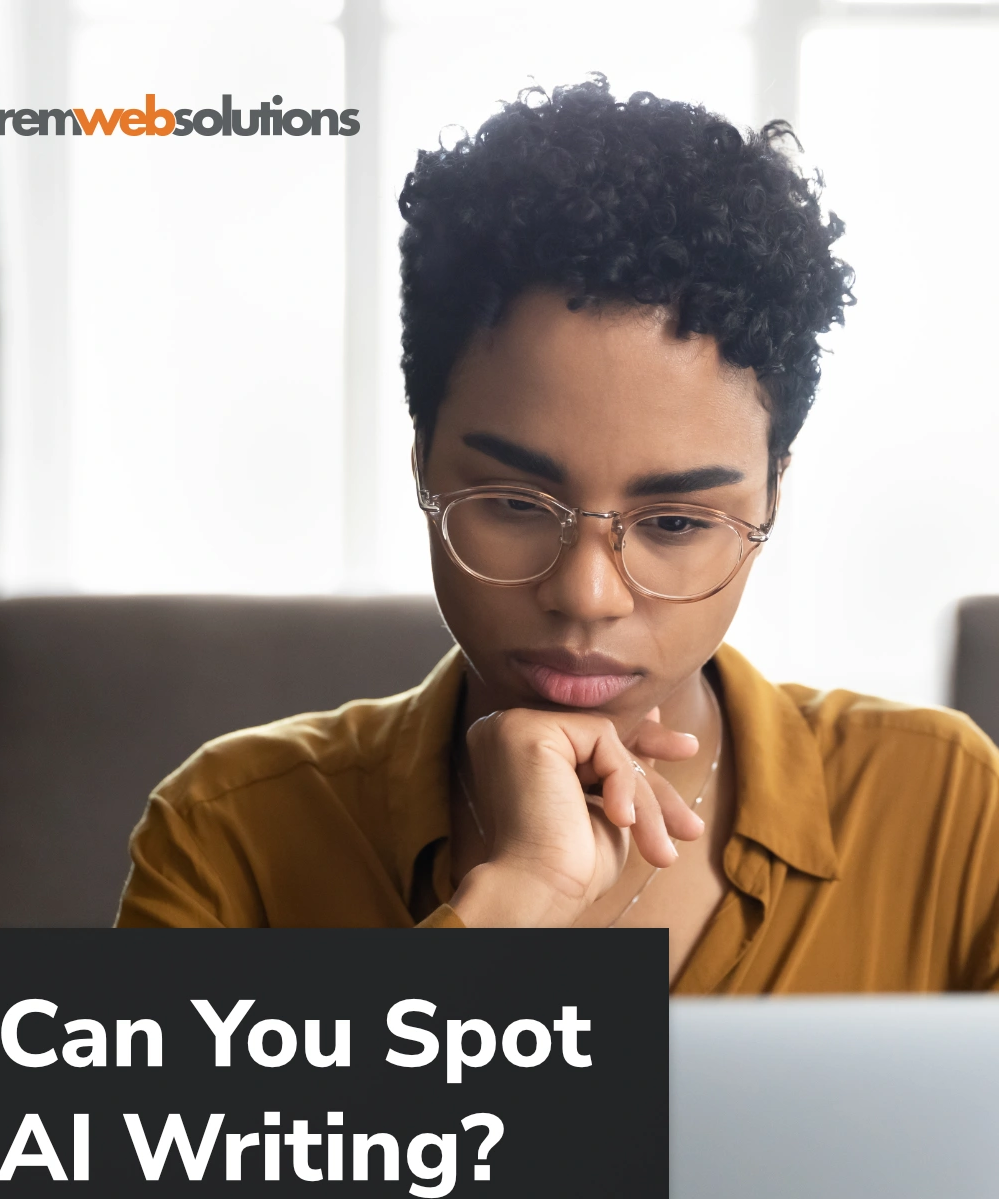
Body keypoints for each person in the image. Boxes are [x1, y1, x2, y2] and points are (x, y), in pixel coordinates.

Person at [116, 77, 999, 992]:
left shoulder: (947, 807)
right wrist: (519, 897)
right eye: (514, 503)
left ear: (773, 496)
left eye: (672, 522)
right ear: (424, 463)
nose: (586, 594)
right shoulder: (230, 836)